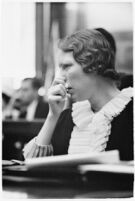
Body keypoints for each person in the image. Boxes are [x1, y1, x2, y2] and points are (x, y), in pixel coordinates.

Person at [23, 29, 133, 161]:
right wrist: (53, 116)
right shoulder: (71, 117)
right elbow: (31, 163)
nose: (60, 78)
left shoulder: (130, 111)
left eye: (67, 66)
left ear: (96, 64)